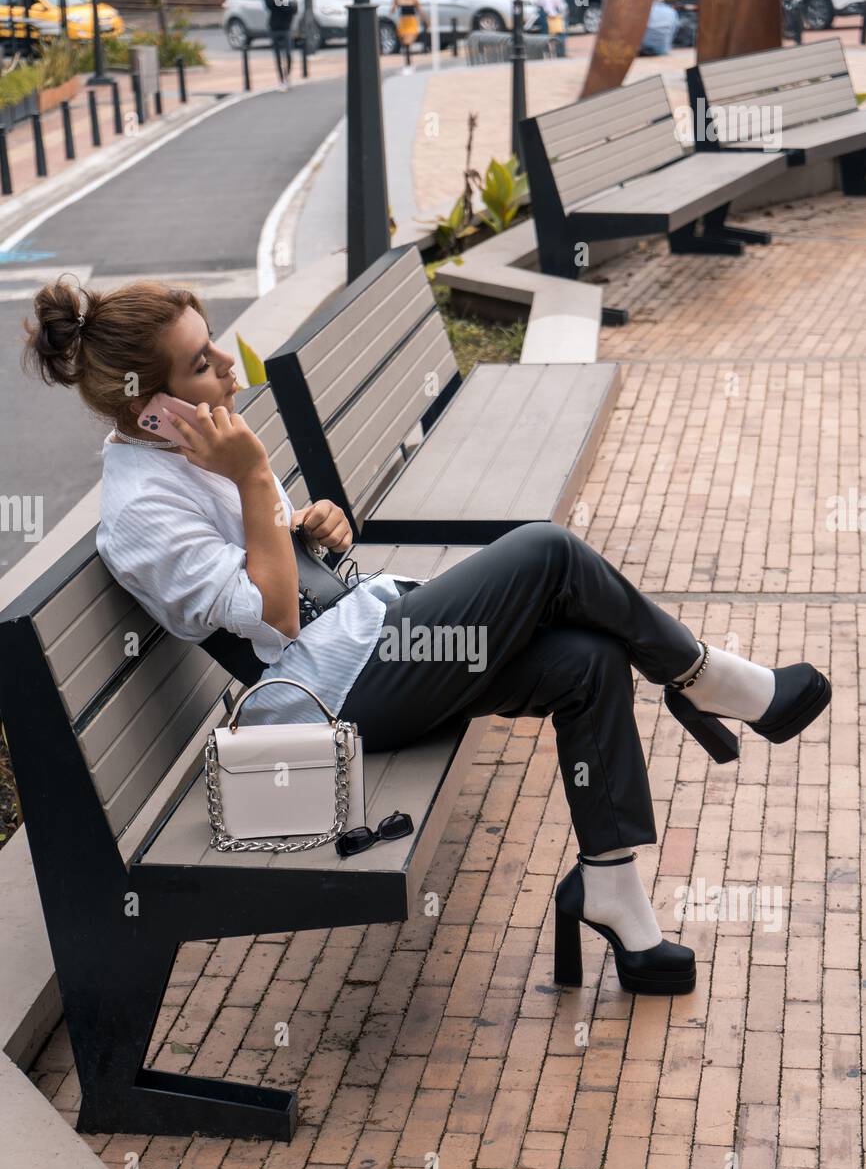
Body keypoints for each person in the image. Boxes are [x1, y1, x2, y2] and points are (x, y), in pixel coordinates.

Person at [21, 278, 832, 998]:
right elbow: (274, 617)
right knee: (546, 550)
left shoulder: (192, 445)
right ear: (145, 405)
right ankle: (709, 680)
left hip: (375, 645)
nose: (231, 370)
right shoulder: (141, 513)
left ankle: (612, 886)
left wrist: (311, 528)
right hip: (344, 697)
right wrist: (259, 478)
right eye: (203, 364)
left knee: (587, 662)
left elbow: (285, 573)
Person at [264, 0, 297, 83]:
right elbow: (269, 5)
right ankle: (281, 79)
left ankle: (287, 76)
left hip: (286, 28)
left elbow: (293, 9)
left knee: (288, 54)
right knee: (277, 56)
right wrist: (282, 3)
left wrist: (279, 2)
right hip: (274, 28)